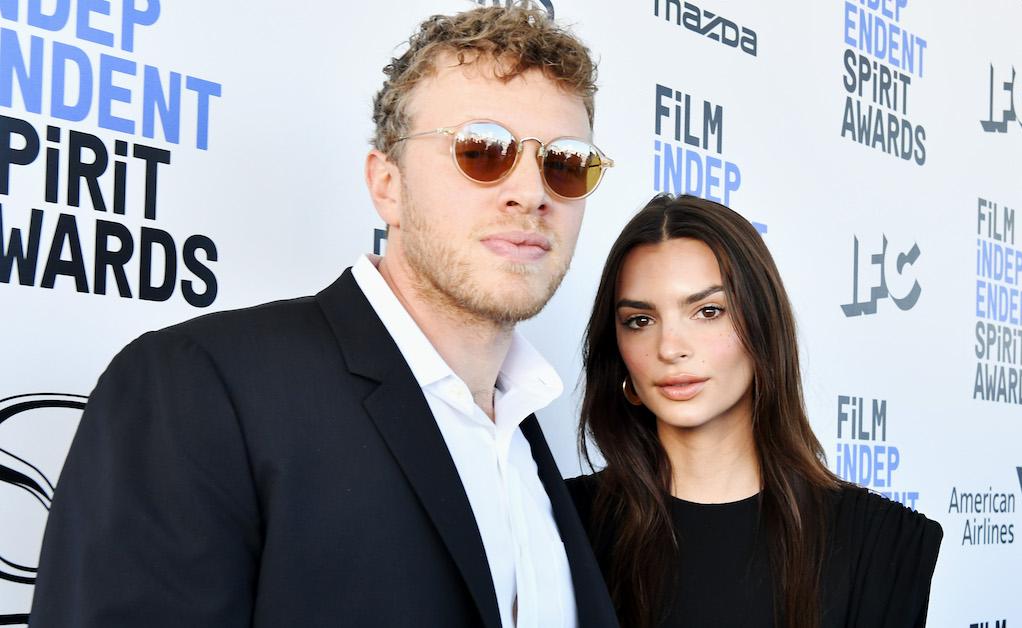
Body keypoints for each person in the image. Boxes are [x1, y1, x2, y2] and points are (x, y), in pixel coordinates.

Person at [30, 6, 618, 627]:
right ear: (387, 184)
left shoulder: (529, 442)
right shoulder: (198, 387)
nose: (531, 193)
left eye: (564, 163)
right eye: (481, 150)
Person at [567, 194, 942, 628]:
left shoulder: (880, 545)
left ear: (762, 328)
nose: (669, 348)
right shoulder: (562, 524)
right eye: (640, 321)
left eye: (708, 312)